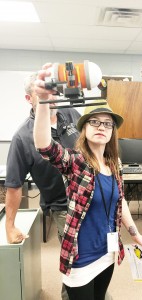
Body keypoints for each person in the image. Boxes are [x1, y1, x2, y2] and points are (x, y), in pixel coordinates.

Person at [33, 68, 142, 300]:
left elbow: (120, 200)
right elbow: (45, 146)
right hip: (80, 256)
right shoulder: (76, 162)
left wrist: (134, 233)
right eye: (94, 122)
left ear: (112, 133)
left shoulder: (113, 162)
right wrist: (44, 103)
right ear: (84, 128)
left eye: (107, 124)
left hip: (108, 251)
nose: (101, 127)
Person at [4, 72, 80, 300]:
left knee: (97, 253)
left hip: (90, 196)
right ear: (29, 99)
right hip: (63, 207)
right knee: (74, 259)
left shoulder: (71, 114)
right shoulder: (22, 138)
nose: (52, 98)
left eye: (54, 91)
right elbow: (14, 185)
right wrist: (10, 225)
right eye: (43, 94)